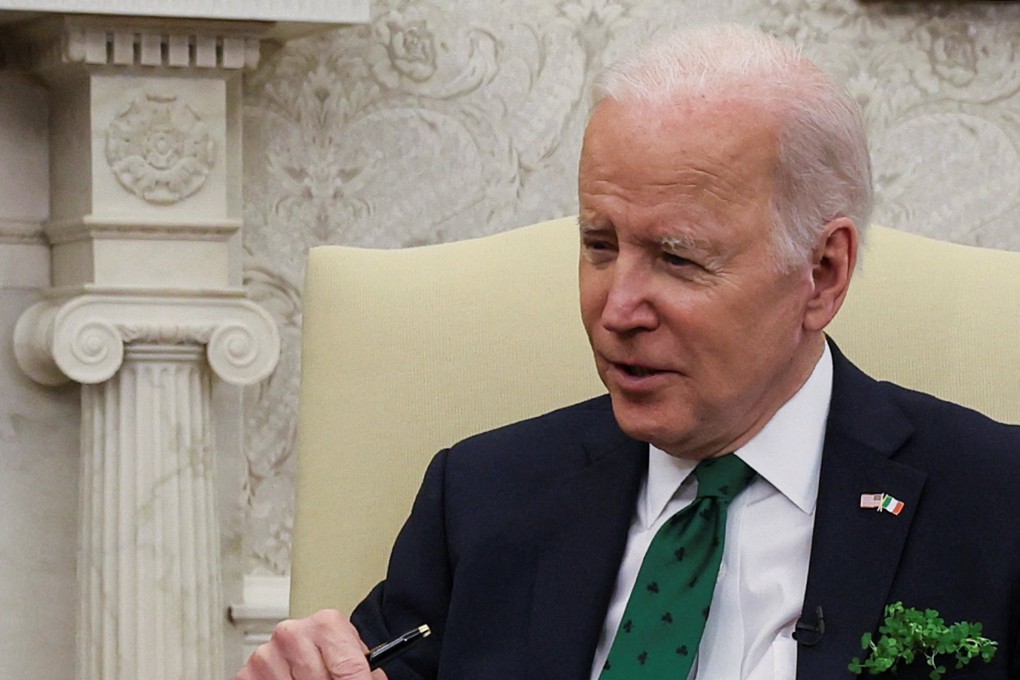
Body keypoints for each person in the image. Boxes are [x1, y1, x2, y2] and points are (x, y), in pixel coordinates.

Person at [236, 24, 1020, 680]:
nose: (616, 309)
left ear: (822, 273)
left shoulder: (993, 503)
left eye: (678, 259)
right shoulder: (481, 500)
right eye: (599, 245)